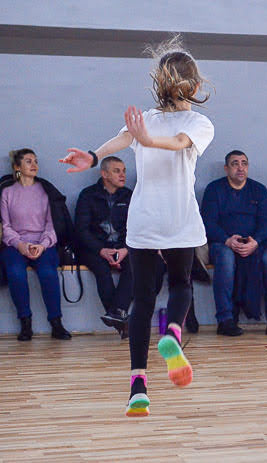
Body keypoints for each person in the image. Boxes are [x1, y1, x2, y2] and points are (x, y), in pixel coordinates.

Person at [61, 38, 214, 417]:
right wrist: (112, 150)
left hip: (144, 218)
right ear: (195, 87)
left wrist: (95, 154)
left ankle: (138, 389)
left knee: (143, 300)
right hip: (178, 217)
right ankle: (174, 335)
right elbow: (178, 142)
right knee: (180, 285)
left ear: (157, 85)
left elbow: (124, 138)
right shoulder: (200, 122)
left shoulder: (146, 119)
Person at [201, 150, 267, 336]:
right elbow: (208, 222)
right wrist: (227, 240)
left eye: (244, 163)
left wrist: (256, 241)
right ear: (226, 168)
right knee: (225, 257)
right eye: (235, 163)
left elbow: (266, 222)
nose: (240, 168)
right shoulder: (214, 189)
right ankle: (225, 319)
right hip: (223, 242)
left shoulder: (259, 189)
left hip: (255, 242)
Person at [0, 149, 72, 341]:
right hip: (15, 245)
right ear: (17, 167)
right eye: (28, 161)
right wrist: (20, 245)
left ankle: (56, 323)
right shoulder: (7, 193)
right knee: (15, 272)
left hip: (43, 244)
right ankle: (25, 322)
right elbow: (5, 226)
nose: (34, 165)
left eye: (36, 161)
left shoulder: (45, 191)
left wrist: (43, 244)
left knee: (48, 272)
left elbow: (53, 223)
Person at [75, 156, 134, 338]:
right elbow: (81, 230)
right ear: (104, 174)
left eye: (123, 170)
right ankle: (120, 318)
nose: (122, 175)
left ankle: (116, 313)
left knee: (136, 265)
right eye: (117, 171)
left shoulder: (129, 195)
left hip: (122, 247)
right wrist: (101, 250)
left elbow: (138, 228)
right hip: (94, 248)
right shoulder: (88, 195)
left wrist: (125, 249)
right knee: (101, 268)